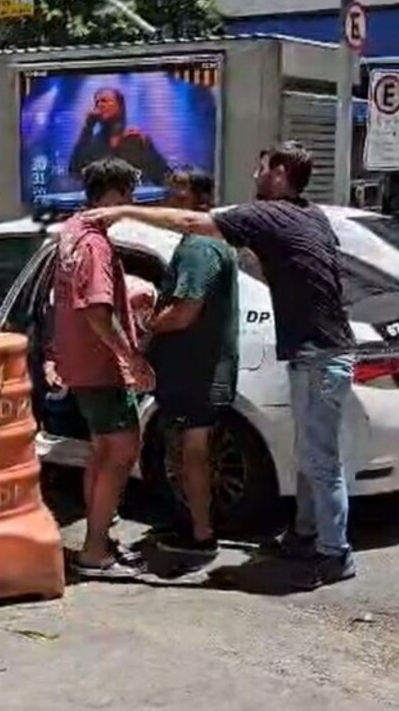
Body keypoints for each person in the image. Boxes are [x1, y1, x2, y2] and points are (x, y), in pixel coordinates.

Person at [83, 141, 357, 591]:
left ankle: (335, 553)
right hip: (316, 352)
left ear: (282, 174)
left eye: (263, 168)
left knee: (320, 460)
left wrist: (126, 214)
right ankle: (307, 535)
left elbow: (194, 226)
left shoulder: (271, 215)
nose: (255, 175)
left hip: (320, 355)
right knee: (310, 456)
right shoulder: (310, 215)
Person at [50, 156, 155, 580]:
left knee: (102, 452)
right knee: (123, 451)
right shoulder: (94, 242)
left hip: (82, 363)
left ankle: (98, 537)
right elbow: (95, 310)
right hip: (101, 366)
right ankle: (95, 551)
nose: (129, 201)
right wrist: (131, 357)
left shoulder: (72, 231)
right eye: (127, 193)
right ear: (111, 194)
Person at [147, 170, 239, 555]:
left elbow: (185, 312)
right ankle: (194, 524)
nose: (170, 196)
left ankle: (200, 535)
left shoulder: (200, 247)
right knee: (193, 453)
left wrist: (145, 327)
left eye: (179, 190)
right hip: (202, 367)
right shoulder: (214, 240)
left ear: (200, 199)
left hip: (194, 372)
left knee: (194, 454)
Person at [69, 87, 171, 187]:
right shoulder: (91, 142)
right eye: (97, 103)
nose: (100, 105)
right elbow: (74, 171)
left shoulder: (137, 140)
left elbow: (163, 176)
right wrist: (88, 126)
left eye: (105, 101)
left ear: (121, 107)